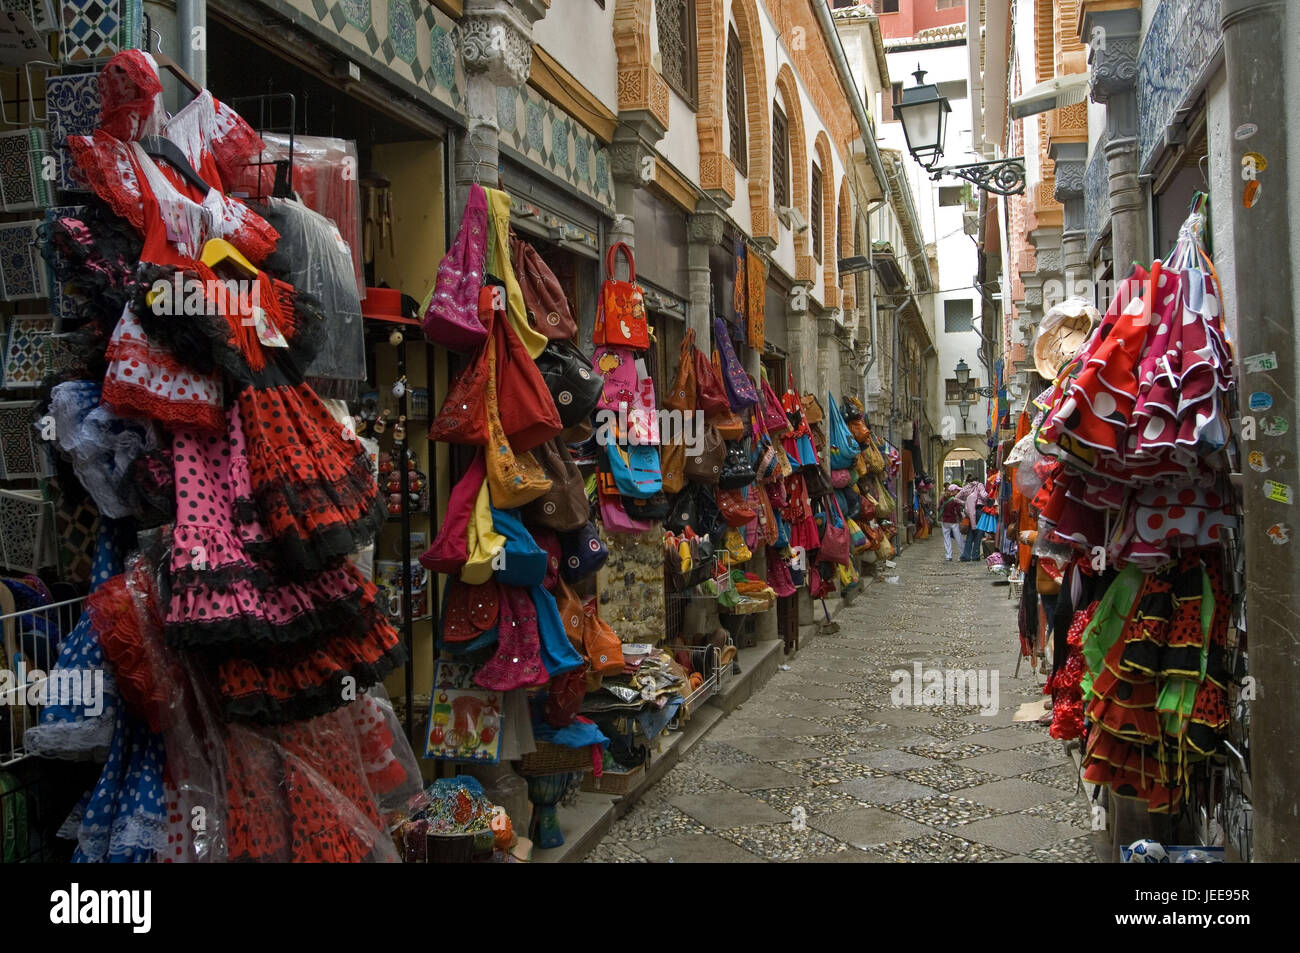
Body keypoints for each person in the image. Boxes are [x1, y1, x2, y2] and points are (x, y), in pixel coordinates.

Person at [958, 476, 988, 562]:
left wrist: (965, 503)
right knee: (979, 533)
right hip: (979, 510)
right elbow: (983, 495)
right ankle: (975, 555)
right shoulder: (979, 485)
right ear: (977, 480)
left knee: (970, 534)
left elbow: (956, 498)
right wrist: (987, 497)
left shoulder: (966, 488)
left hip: (970, 512)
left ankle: (966, 555)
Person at [939, 484, 964, 560]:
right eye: (957, 490)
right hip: (953, 521)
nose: (958, 492)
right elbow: (958, 511)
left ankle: (948, 556)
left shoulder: (943, 498)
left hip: (944, 521)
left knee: (946, 538)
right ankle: (962, 553)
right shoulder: (954, 499)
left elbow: (938, 508)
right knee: (958, 538)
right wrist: (960, 518)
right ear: (954, 491)